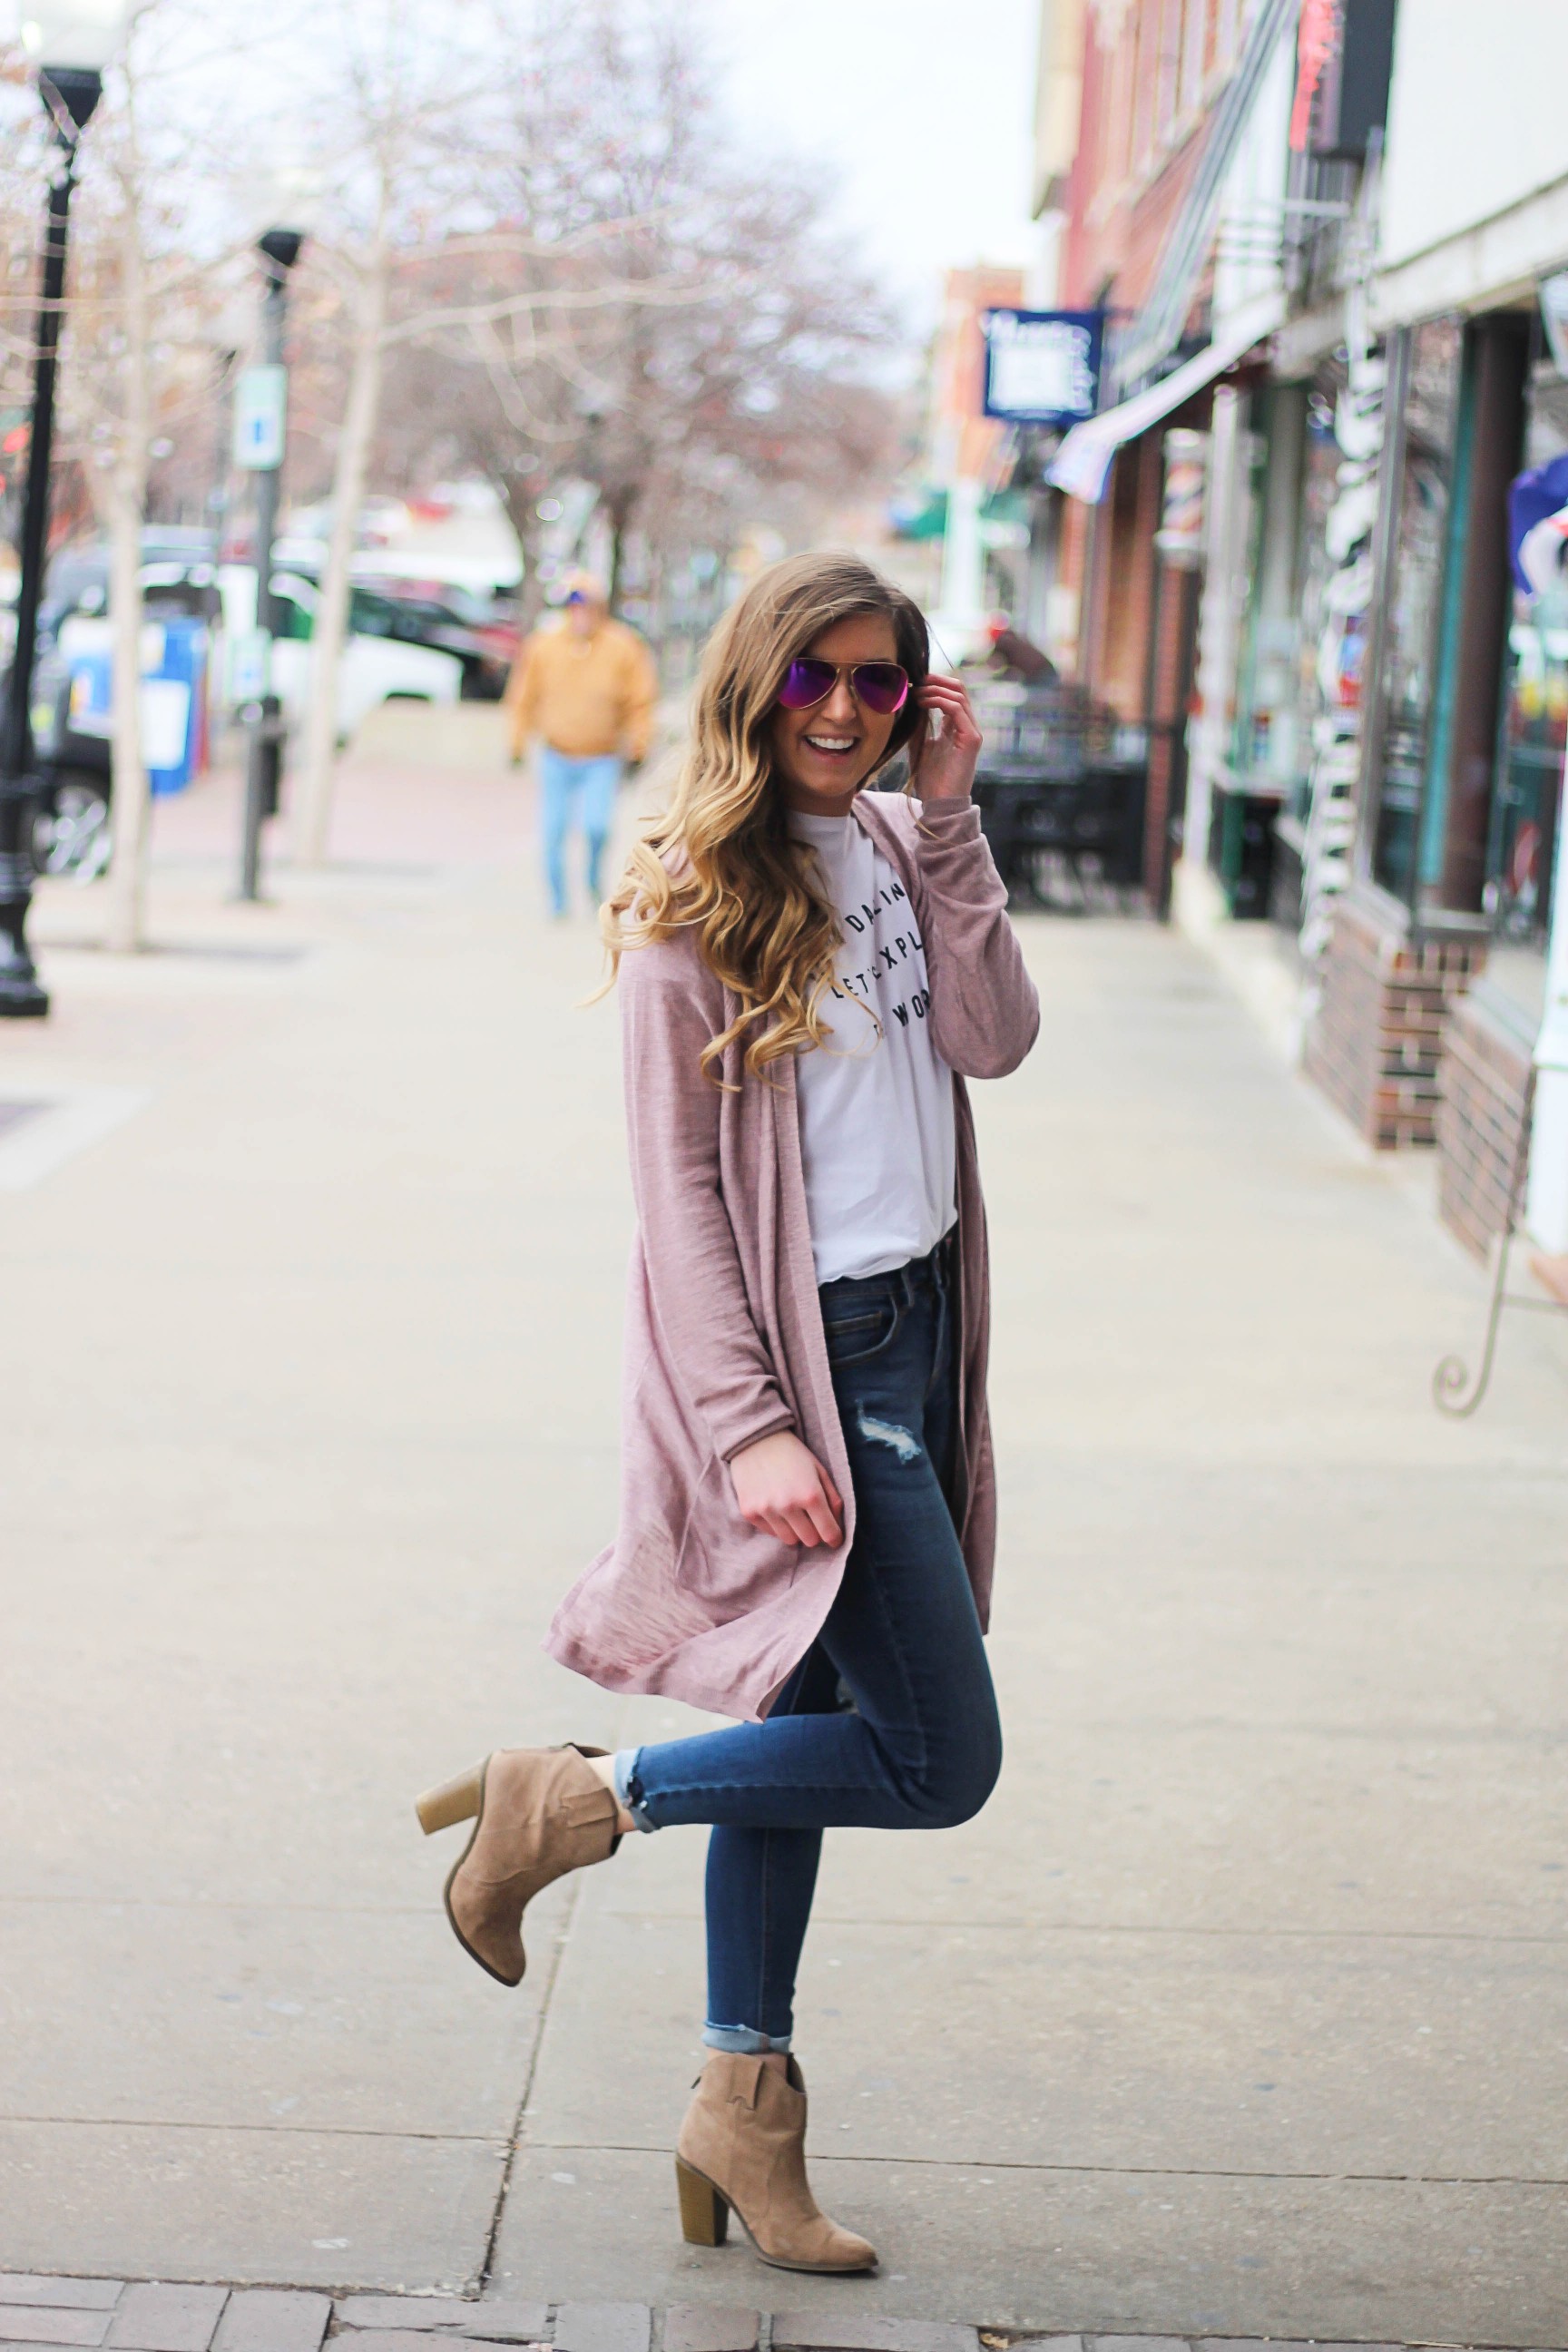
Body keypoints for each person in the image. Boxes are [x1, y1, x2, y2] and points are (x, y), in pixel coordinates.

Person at [417, 551, 1039, 2276]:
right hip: (822, 1364)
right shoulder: (698, 896)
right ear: (755, 688)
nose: (842, 709)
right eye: (812, 679)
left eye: (878, 680)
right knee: (935, 1757)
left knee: (803, 1725)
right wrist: (751, 1418)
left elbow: (992, 1041)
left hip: (919, 1333)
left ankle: (740, 2110)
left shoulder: (915, 851)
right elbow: (678, 1198)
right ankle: (579, 1792)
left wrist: (955, 812)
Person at [505, 573, 659, 916]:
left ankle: (591, 882)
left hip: (600, 758)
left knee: (596, 826)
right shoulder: (544, 645)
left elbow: (641, 702)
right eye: (573, 605)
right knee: (554, 830)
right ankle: (558, 902)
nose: (580, 612)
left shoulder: (623, 646)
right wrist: (516, 742)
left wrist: (639, 746)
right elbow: (522, 697)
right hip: (556, 754)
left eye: (586, 604)